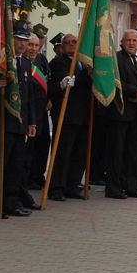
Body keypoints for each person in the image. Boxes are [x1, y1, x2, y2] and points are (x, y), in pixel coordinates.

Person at [0, 23, 37, 218]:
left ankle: (11, 202)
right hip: (4, 121)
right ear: (10, 39)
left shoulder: (25, 63)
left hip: (21, 123)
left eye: (26, 40)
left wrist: (31, 122)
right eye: (19, 39)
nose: (23, 44)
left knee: (16, 165)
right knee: (0, 164)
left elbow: (29, 96)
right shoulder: (0, 62)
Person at [103, 29, 137, 199]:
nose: (131, 43)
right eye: (128, 40)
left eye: (135, 40)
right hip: (121, 112)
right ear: (122, 42)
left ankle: (132, 186)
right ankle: (114, 188)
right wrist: (134, 91)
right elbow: (114, 82)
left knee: (135, 152)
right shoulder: (116, 59)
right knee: (117, 152)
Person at [47, 33, 92, 201]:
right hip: (66, 116)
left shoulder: (83, 63)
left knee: (79, 153)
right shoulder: (58, 62)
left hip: (83, 115)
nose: (72, 45)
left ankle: (72, 185)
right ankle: (56, 187)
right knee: (62, 153)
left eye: (75, 42)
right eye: (68, 43)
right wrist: (86, 74)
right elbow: (68, 82)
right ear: (62, 46)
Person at [25, 34, 51, 190]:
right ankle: (26, 178)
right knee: (29, 148)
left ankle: (37, 175)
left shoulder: (41, 59)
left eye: (36, 45)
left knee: (42, 144)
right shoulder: (20, 62)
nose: (34, 49)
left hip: (41, 109)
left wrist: (50, 98)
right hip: (28, 109)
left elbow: (47, 79)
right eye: (30, 45)